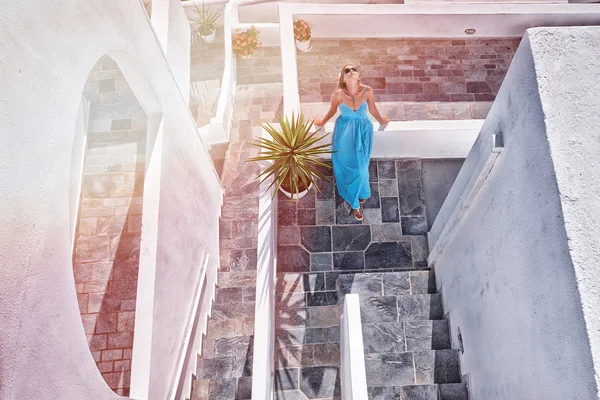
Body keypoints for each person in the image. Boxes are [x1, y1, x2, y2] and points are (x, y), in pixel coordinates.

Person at [315, 64, 389, 221]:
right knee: (345, 165)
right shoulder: (337, 95)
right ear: (343, 77)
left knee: (362, 168)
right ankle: (355, 203)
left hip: (363, 132)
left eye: (353, 69)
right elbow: (332, 112)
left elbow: (373, 110)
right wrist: (321, 122)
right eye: (346, 70)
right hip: (344, 134)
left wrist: (383, 121)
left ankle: (361, 193)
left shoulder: (368, 91)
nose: (350, 71)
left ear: (358, 74)